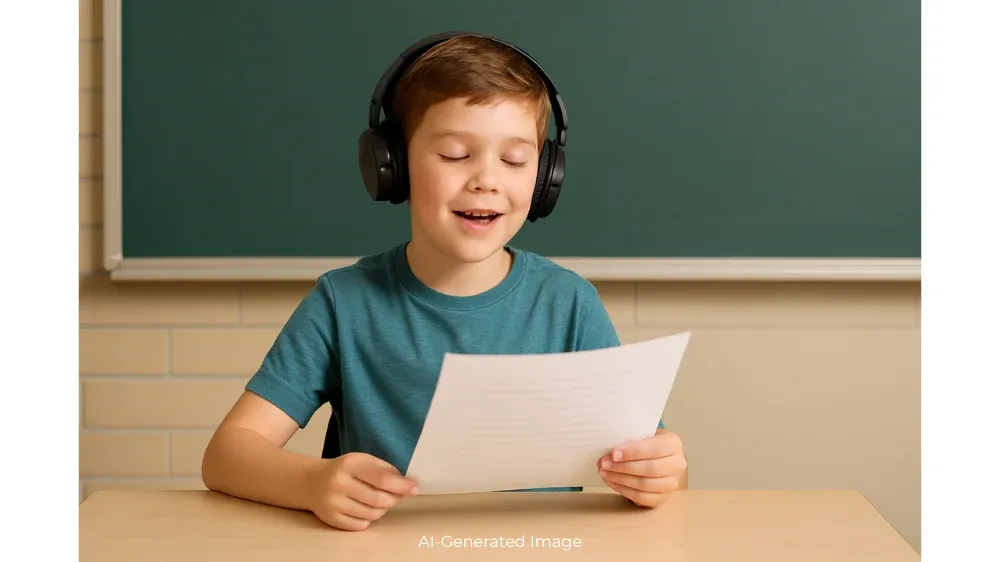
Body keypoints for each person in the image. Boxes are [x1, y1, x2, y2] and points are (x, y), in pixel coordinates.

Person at [202, 32, 688, 531]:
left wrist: (660, 472)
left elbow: (657, 466)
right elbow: (226, 455)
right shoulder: (342, 302)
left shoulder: (568, 304)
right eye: (456, 155)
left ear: (545, 178)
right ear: (392, 165)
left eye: (516, 160)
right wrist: (311, 483)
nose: (486, 179)